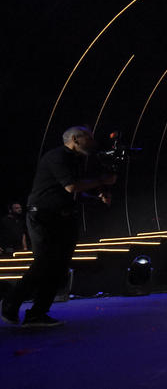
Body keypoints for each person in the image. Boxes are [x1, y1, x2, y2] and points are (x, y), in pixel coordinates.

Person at [2, 127, 116, 327]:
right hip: (44, 216)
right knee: (44, 262)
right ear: (75, 139)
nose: (92, 141)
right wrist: (101, 181)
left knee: (59, 267)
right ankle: (11, 302)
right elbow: (71, 186)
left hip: (64, 217)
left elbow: (73, 193)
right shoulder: (56, 157)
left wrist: (96, 198)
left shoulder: (77, 160)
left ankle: (37, 314)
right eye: (88, 137)